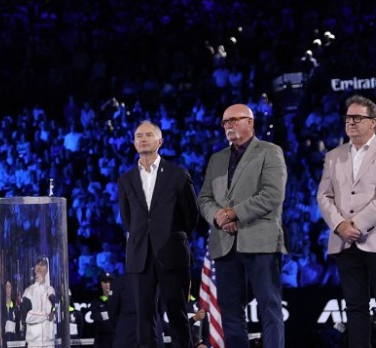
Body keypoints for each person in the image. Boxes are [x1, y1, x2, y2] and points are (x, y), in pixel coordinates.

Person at [316, 95, 376, 348]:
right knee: (355, 308)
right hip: (344, 242)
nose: (351, 122)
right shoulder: (333, 156)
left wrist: (354, 225)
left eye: (358, 118)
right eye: (348, 117)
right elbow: (323, 195)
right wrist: (339, 226)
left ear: (373, 123)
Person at [197, 103, 287, 348]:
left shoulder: (270, 151)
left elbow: (272, 194)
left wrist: (233, 214)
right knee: (230, 312)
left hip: (260, 240)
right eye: (226, 122)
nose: (229, 125)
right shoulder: (217, 158)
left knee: (269, 306)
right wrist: (219, 217)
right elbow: (204, 199)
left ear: (250, 122)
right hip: (224, 244)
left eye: (234, 120)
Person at [119, 120, 199, 348]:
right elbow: (128, 220)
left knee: (177, 313)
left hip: (172, 254)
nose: (142, 139)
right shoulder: (126, 179)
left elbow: (191, 216)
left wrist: (173, 237)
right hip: (140, 256)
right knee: (143, 316)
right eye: (138, 136)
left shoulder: (177, 174)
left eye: (148, 135)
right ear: (134, 143)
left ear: (160, 141)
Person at [20, 258, 56, 347]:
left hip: (49, 342)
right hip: (34, 343)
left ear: (47, 269)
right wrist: (46, 316)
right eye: (38, 265)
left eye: (42, 265)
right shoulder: (29, 291)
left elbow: (54, 311)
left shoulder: (51, 290)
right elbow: (27, 316)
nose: (39, 268)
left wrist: (51, 313)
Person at [89, 272, 115, 348]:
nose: (107, 284)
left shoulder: (119, 300)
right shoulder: (95, 302)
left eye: (110, 282)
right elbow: (97, 318)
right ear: (101, 284)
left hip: (117, 339)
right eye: (105, 282)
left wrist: (105, 316)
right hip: (102, 341)